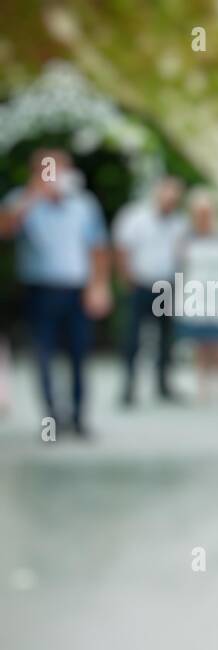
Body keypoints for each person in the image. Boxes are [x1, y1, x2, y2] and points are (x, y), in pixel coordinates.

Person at [0, 148, 112, 438]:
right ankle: (50, 422)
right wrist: (33, 196)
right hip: (40, 289)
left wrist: (98, 286)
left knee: (78, 355)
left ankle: (78, 418)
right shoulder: (22, 201)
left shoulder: (83, 205)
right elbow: (6, 228)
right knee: (43, 356)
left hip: (75, 289)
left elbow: (97, 247)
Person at [112, 176, 188, 405]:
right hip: (140, 283)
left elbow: (181, 254)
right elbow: (122, 249)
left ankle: (163, 384)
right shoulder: (135, 217)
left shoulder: (179, 223)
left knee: (166, 339)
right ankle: (128, 386)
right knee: (133, 337)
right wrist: (127, 279)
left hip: (167, 285)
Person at [174, 189, 218, 403]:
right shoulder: (186, 236)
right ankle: (203, 389)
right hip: (196, 294)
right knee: (201, 343)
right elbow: (180, 264)